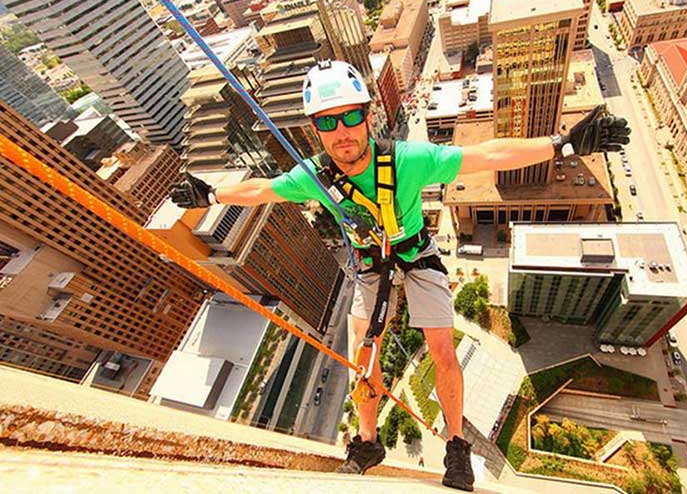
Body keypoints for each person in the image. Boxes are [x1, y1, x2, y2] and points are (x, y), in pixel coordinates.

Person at [170, 60, 630, 492]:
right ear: (315, 131)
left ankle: (456, 446)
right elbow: (263, 189)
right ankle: (368, 442)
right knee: (362, 363)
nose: (341, 132)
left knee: (442, 351)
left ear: (368, 118)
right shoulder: (315, 176)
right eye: (327, 123)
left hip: (416, 255)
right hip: (371, 265)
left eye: (350, 117)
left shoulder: (408, 160)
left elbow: (486, 154)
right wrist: (211, 194)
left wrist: (563, 143)